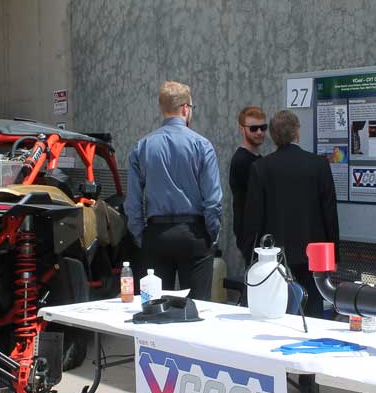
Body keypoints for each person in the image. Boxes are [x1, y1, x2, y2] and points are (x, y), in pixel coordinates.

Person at [124, 81, 222, 301]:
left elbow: (132, 202)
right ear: (186, 108)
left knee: (154, 309)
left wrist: (141, 236)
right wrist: (211, 234)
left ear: (162, 108)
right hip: (194, 233)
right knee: (197, 307)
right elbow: (213, 200)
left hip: (156, 235)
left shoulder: (142, 146)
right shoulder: (202, 145)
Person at [243, 109, 338, 318]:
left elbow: (253, 218)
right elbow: (329, 213)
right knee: (312, 311)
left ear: (274, 136)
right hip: (312, 256)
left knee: (278, 311)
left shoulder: (261, 168)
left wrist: (250, 254)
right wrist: (334, 255)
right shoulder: (318, 165)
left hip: (275, 257)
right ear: (297, 133)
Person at [229, 105, 266, 265]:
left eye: (263, 127)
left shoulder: (258, 159)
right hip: (251, 235)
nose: (259, 132)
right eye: (253, 128)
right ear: (242, 129)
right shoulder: (242, 161)